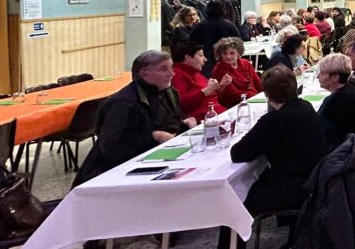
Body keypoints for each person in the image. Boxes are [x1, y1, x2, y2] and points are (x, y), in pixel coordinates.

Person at [197, 65, 329, 249]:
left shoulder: (274, 120)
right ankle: (289, 238)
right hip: (313, 181)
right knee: (251, 184)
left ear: (267, 94)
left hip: (294, 188)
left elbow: (238, 153)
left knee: (233, 202)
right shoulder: (305, 107)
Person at [73, 50, 195, 186]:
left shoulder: (167, 92)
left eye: (171, 68)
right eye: (163, 69)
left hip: (157, 161)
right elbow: (111, 146)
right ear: (144, 74)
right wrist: (152, 137)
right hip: (113, 173)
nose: (171, 74)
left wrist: (185, 124)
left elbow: (169, 124)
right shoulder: (123, 103)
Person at [315, 53, 355, 149]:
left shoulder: (336, 101)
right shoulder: (350, 89)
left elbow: (318, 131)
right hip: (354, 145)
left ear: (335, 77)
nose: (318, 76)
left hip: (341, 152)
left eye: (322, 73)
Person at [172, 41, 226, 119]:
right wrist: (206, 90)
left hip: (219, 114)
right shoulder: (176, 74)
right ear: (187, 58)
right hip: (204, 120)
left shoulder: (196, 73)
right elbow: (180, 102)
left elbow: (212, 95)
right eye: (200, 55)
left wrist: (221, 86)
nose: (205, 59)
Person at [188, 0, 241, 77]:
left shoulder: (199, 26)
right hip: (226, 62)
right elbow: (238, 44)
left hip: (205, 63)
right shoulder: (230, 25)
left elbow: (191, 45)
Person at [211, 36, 261, 108]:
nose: (228, 56)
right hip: (236, 105)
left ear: (239, 53)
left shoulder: (246, 63)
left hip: (255, 100)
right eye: (225, 53)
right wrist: (256, 97)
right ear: (220, 54)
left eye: (232, 53)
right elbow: (233, 94)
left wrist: (266, 93)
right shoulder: (219, 69)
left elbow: (257, 82)